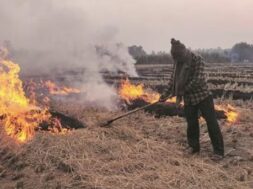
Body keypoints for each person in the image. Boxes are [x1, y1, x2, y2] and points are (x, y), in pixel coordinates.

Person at [159, 38, 224, 160]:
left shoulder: (197, 59)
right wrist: (164, 95)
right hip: (189, 99)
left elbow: (198, 79)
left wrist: (182, 90)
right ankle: (194, 147)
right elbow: (173, 81)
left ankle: (219, 151)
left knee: (211, 123)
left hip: (203, 96)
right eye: (176, 59)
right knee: (191, 124)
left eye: (179, 58)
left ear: (183, 53)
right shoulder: (178, 63)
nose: (178, 61)